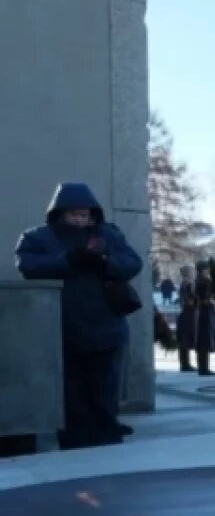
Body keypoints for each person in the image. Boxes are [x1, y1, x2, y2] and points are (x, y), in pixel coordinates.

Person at [14, 182, 143, 449]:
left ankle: (108, 441)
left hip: (106, 329)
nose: (79, 220)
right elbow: (28, 266)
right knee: (71, 398)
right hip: (61, 330)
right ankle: (75, 447)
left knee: (104, 395)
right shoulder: (38, 237)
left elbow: (133, 263)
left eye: (84, 215)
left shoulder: (108, 234)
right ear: (58, 214)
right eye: (73, 214)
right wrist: (69, 260)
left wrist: (106, 262)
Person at [193, 260, 215, 377]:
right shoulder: (205, 281)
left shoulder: (198, 280)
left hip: (202, 310)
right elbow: (214, 292)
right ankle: (204, 368)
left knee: (203, 340)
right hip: (207, 310)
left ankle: (203, 367)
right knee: (205, 339)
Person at [175, 264, 197, 372]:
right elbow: (190, 299)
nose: (193, 273)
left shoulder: (185, 283)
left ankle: (185, 363)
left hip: (186, 312)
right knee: (185, 339)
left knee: (185, 339)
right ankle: (185, 364)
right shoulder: (188, 283)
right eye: (191, 271)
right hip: (189, 313)